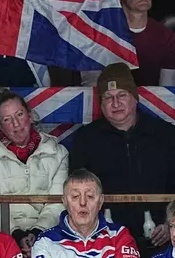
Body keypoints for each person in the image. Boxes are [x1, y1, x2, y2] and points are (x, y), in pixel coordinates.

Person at [69, 63, 175, 257]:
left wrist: (171, 225)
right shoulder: (86, 139)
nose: (115, 103)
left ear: (135, 98)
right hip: (105, 243)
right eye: (108, 97)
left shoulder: (166, 135)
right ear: (100, 104)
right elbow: (76, 192)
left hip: (160, 240)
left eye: (122, 95)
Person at [0, 88, 68, 257]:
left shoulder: (58, 152)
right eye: (7, 119)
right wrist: (15, 234)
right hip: (2, 235)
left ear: (30, 115)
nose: (16, 124)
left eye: (20, 115)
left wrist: (38, 232)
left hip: (49, 233)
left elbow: (58, 200)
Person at [32, 169, 140, 258]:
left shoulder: (120, 235)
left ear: (100, 201)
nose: (82, 203)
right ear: (65, 202)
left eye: (90, 196)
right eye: (75, 196)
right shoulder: (46, 241)